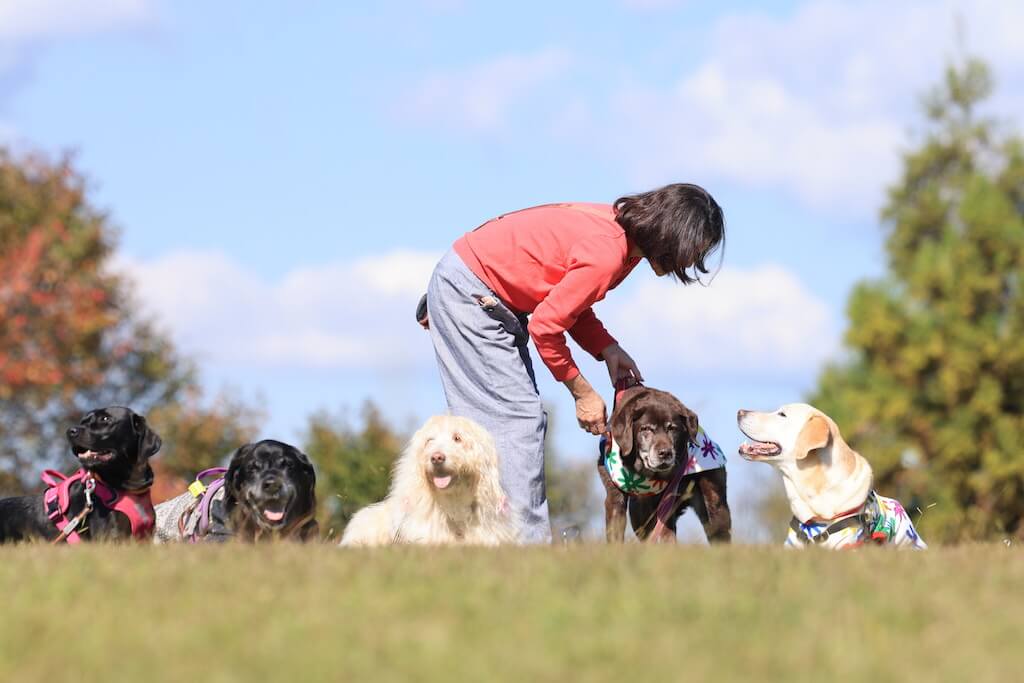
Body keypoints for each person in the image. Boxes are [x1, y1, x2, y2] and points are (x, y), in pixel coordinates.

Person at [425, 183, 725, 543]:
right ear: (672, 235)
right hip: (474, 294)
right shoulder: (608, 253)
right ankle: (526, 548)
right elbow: (545, 326)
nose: (691, 263)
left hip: (479, 287)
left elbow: (567, 302)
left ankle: (477, 537)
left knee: (501, 426)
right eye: (693, 250)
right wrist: (582, 392)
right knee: (518, 422)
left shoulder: (620, 237)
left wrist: (606, 347)